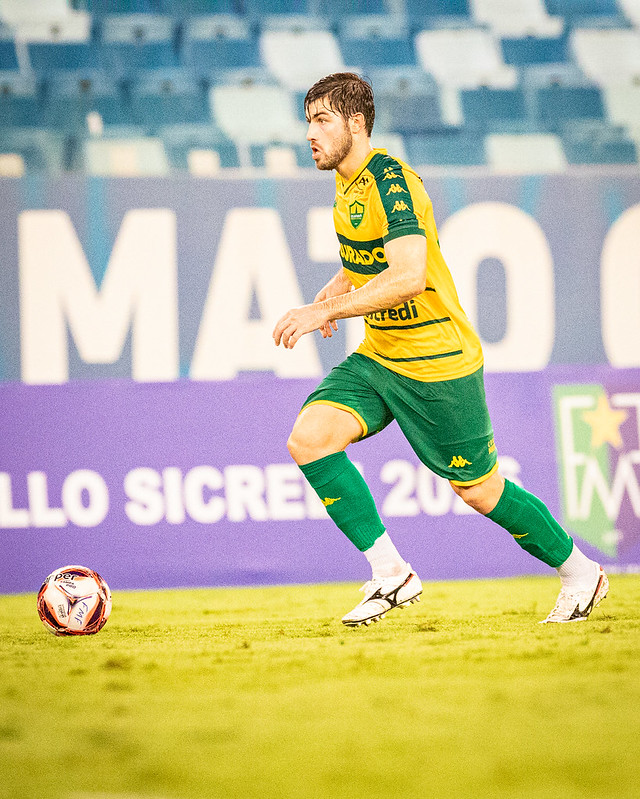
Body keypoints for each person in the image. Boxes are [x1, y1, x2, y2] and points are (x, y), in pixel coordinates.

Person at [272, 72, 608, 627]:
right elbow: (376, 254)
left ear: (356, 124)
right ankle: (391, 574)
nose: (310, 133)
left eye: (322, 120)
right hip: (382, 356)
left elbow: (407, 276)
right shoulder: (347, 182)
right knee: (309, 439)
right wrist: (341, 282)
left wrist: (324, 312)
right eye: (308, 120)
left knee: (479, 490)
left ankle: (580, 572)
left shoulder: (389, 180)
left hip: (437, 362)